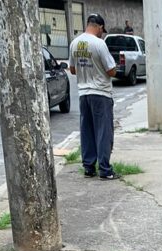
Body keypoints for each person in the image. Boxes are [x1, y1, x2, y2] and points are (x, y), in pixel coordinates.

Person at [68, 14, 118, 180]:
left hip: (84, 94)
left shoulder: (74, 43)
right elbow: (111, 71)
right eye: (102, 31)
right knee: (103, 131)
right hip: (101, 93)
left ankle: (89, 167)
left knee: (87, 131)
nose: (101, 34)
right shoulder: (99, 44)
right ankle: (105, 169)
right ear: (100, 27)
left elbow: (72, 70)